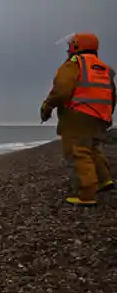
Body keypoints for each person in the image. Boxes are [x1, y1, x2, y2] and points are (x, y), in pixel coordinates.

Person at [40, 32, 114, 205]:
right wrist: (107, 115)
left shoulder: (74, 65)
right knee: (93, 148)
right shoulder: (104, 68)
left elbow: (62, 90)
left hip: (78, 115)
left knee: (78, 151)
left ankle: (86, 194)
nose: (67, 50)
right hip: (100, 115)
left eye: (70, 46)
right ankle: (104, 180)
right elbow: (112, 95)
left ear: (76, 47)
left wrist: (48, 105)